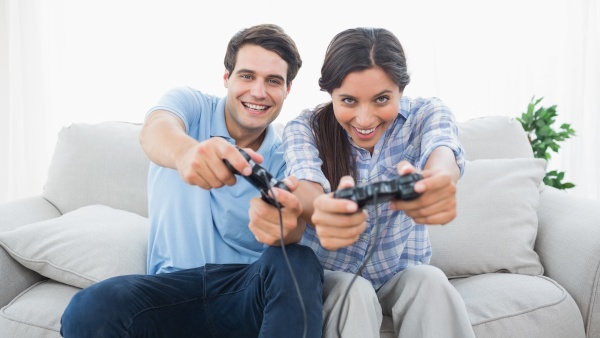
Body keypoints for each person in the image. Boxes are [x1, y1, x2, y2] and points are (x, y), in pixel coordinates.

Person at [60, 24, 324, 338]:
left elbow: (293, 226)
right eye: (247, 76)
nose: (258, 91)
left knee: (297, 261)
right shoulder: (191, 106)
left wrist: (284, 225)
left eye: (273, 81)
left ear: (287, 90)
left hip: (242, 296)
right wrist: (187, 153)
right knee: (91, 307)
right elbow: (156, 130)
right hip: (170, 295)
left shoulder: (287, 156)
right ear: (227, 78)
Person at [282, 27, 475, 338]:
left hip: (397, 274)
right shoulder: (305, 129)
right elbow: (304, 180)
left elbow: (443, 151)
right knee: (354, 290)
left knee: (431, 281)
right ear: (330, 94)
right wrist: (319, 207)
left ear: (401, 90)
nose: (365, 119)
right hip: (334, 276)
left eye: (381, 99)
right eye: (348, 100)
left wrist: (436, 180)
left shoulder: (426, 115)